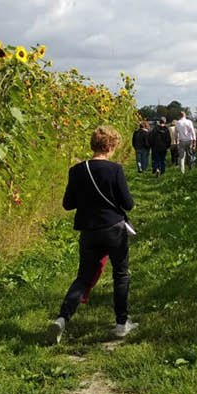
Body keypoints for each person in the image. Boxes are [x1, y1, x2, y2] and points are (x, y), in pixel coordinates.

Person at [48, 125, 137, 344]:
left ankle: (62, 318)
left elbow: (68, 204)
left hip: (88, 231)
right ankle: (121, 323)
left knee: (84, 277)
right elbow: (128, 204)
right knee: (121, 274)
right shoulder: (115, 170)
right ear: (110, 146)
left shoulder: (77, 170)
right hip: (114, 228)